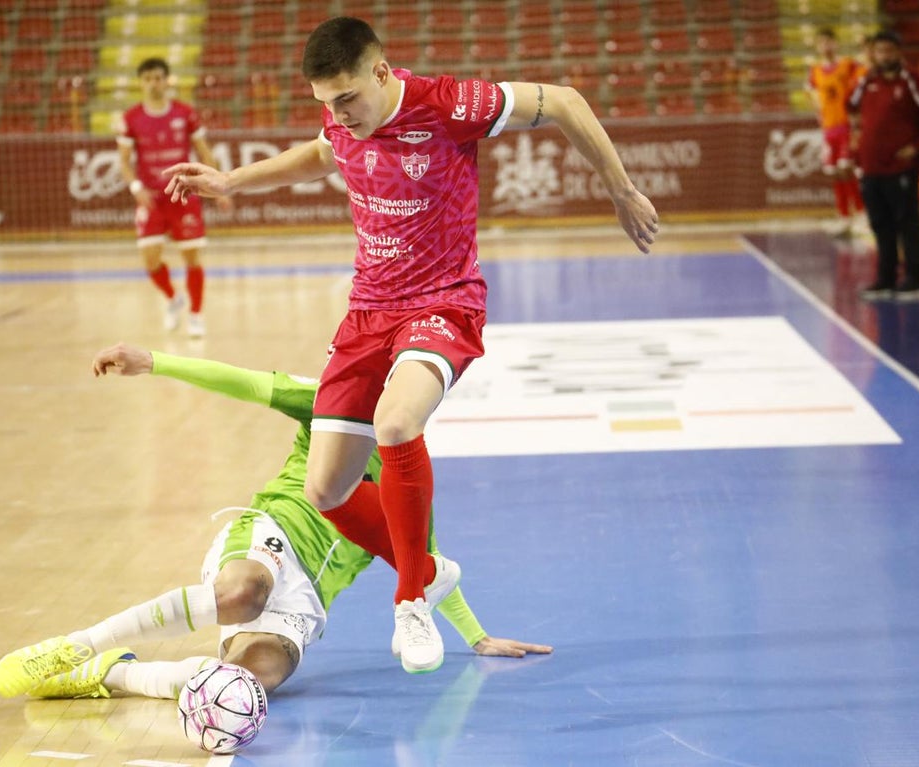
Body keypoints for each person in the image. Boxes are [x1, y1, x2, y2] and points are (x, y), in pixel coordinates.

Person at [161, 17, 659, 674]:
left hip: (442, 304)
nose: (340, 114)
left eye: (348, 98)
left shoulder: (448, 105)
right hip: (368, 313)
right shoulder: (343, 119)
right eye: (327, 103)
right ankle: (428, 568)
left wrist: (621, 190)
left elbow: (565, 101)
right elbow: (321, 153)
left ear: (382, 72)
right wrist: (231, 182)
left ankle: (411, 600)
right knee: (327, 489)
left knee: (396, 422)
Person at [0, 343, 552, 702]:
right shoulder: (331, 402)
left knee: (243, 686)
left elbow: (422, 566)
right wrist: (155, 361)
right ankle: (76, 646)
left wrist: (477, 638)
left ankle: (112, 673)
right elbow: (246, 381)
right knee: (241, 594)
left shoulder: (409, 474)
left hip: (306, 601)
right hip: (271, 536)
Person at [117, 57, 232, 338]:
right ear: (141, 83)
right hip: (151, 199)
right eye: (148, 79)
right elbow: (124, 162)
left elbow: (204, 152)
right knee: (150, 259)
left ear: (166, 81)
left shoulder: (185, 113)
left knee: (192, 257)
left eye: (158, 78)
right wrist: (136, 188)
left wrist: (220, 186)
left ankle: (195, 314)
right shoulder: (131, 118)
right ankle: (172, 298)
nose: (153, 84)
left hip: (183, 194)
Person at [848, 29, 919, 301]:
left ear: (899, 52)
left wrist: (917, 147)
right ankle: (885, 278)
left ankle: (914, 279)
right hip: (871, 167)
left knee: (907, 222)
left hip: (900, 167)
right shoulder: (868, 80)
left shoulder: (912, 79)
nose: (884, 56)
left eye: (889, 51)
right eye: (879, 51)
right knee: (880, 224)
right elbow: (850, 104)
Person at [807, 27, 864, 237]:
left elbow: (863, 83)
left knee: (847, 169)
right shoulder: (815, 71)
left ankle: (861, 213)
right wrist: (819, 114)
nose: (826, 46)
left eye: (829, 42)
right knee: (836, 174)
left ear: (836, 43)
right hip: (829, 129)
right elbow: (812, 94)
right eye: (822, 43)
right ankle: (844, 216)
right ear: (817, 47)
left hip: (846, 126)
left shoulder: (848, 65)